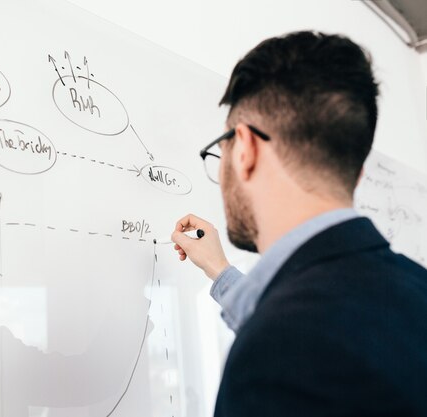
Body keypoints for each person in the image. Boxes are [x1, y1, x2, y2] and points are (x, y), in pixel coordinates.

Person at [171, 31, 427, 417]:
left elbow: (300, 329)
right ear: (357, 173)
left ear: (245, 149)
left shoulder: (276, 354)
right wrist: (219, 270)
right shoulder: (415, 289)